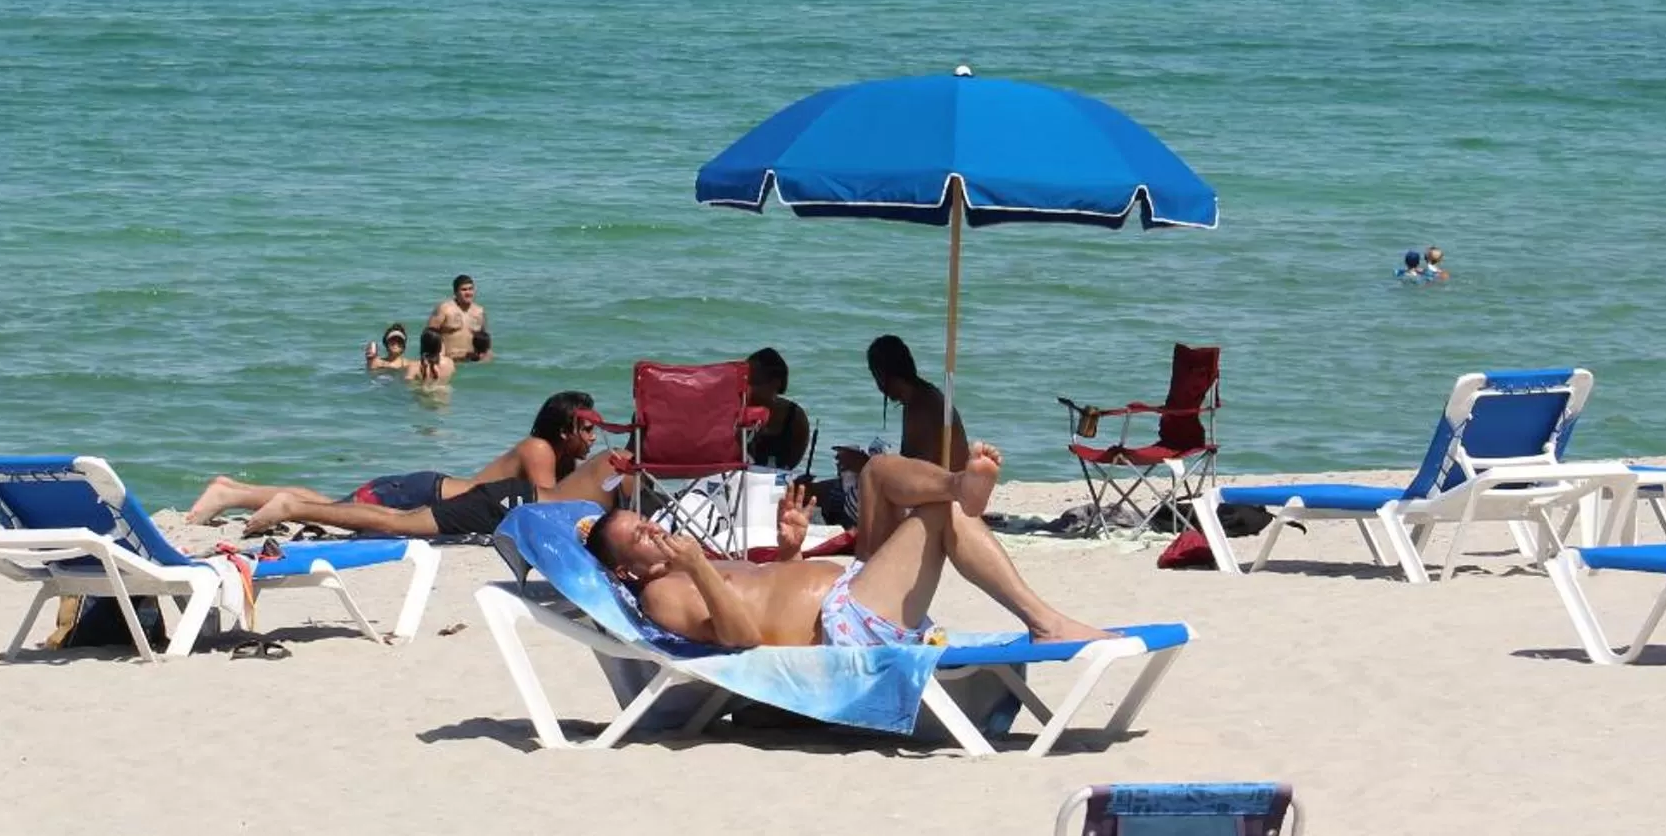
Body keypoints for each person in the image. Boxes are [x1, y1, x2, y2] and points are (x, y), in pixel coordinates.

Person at [585, 443, 1106, 648]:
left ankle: (957, 484)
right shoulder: (662, 594)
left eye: (647, 521)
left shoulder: (685, 564)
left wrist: (789, 549)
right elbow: (742, 639)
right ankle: (1044, 623)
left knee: (875, 471)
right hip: (848, 623)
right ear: (628, 571)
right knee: (943, 517)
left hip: (852, 587)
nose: (655, 530)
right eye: (640, 536)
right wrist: (699, 566)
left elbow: (765, 594)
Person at [190, 390, 602, 528]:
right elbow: (548, 505)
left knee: (333, 506)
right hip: (418, 495)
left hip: (427, 493)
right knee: (331, 512)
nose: (593, 436)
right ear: (564, 431)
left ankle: (234, 491)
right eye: (586, 428)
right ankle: (230, 495)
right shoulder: (540, 450)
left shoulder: (558, 458)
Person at [823, 334, 968, 550]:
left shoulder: (922, 407)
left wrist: (864, 464)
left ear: (882, 375)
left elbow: (918, 476)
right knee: (832, 489)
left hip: (934, 501)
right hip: (940, 492)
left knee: (839, 494)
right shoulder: (922, 398)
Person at [745, 347, 812, 471]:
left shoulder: (794, 417)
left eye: (754, 383)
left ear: (775, 383)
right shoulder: (737, 411)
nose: (747, 389)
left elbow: (792, 462)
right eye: (745, 382)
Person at [426, 275, 493, 362]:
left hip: (471, 361)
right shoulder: (445, 309)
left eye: (470, 289)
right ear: (455, 292)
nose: (468, 293)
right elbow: (428, 337)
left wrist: (486, 359)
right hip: (449, 360)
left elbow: (485, 341)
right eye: (464, 290)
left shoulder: (479, 312)